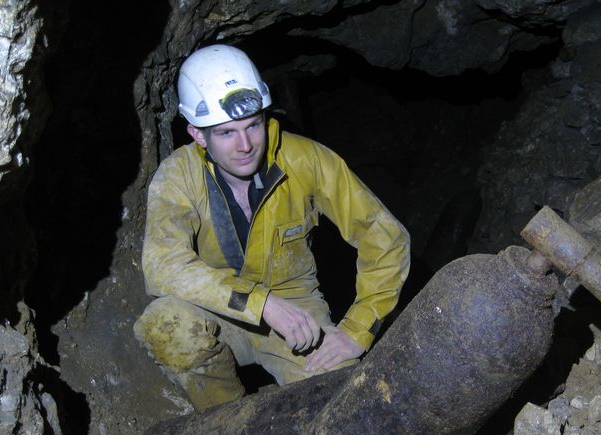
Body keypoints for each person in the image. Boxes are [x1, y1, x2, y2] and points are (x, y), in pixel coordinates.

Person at [134, 44, 410, 411]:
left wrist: (357, 330)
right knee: (165, 324)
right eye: (227, 133)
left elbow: (385, 237)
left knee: (345, 401)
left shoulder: (305, 159)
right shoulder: (177, 177)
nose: (246, 145)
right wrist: (260, 304)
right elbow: (163, 266)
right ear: (199, 135)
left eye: (253, 125)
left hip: (297, 309)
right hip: (217, 311)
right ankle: (226, 423)